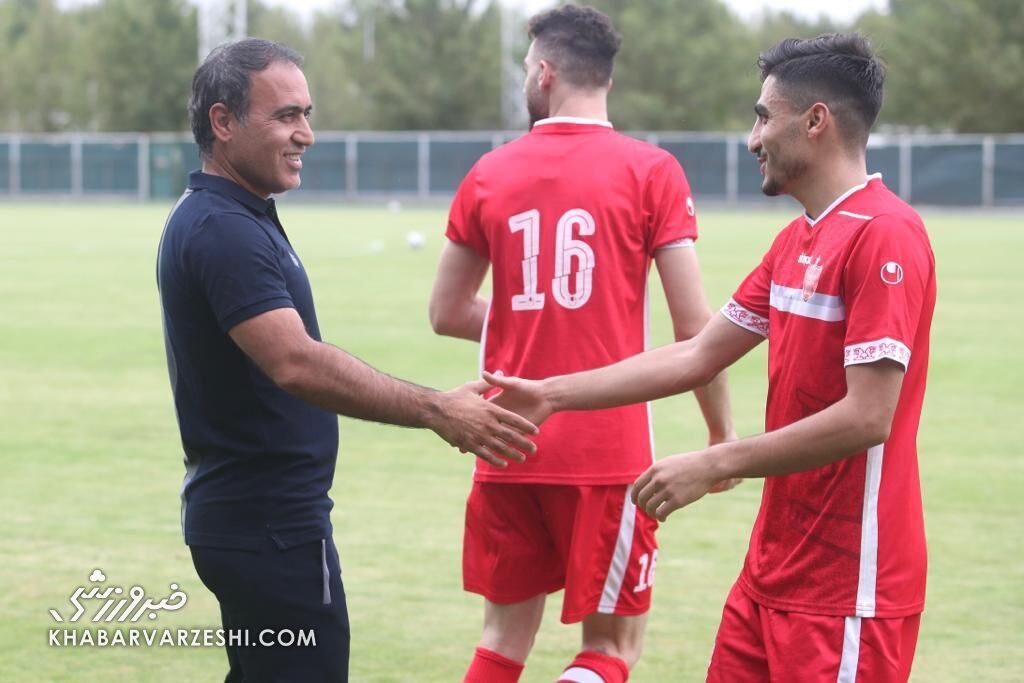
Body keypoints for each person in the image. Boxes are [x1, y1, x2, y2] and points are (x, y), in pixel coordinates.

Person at [486, 33, 936, 682]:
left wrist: (716, 459)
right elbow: (699, 353)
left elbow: (869, 416)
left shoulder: (884, 235)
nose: (752, 139)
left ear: (815, 122)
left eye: (762, 116)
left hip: (849, 590)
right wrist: (553, 393)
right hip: (768, 576)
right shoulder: (797, 240)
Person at [156, 38, 537, 683]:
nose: (305, 133)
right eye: (285, 116)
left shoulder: (237, 215)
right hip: (267, 528)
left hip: (259, 522)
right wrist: (436, 409)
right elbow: (296, 363)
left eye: (307, 113)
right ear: (223, 123)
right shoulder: (222, 228)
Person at [429, 6, 735, 682]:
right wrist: (721, 435)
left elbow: (446, 312)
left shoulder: (489, 173)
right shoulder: (652, 171)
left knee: (502, 637)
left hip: (505, 435)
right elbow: (695, 329)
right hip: (608, 451)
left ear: (545, 72)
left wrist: (526, 329)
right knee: (611, 648)